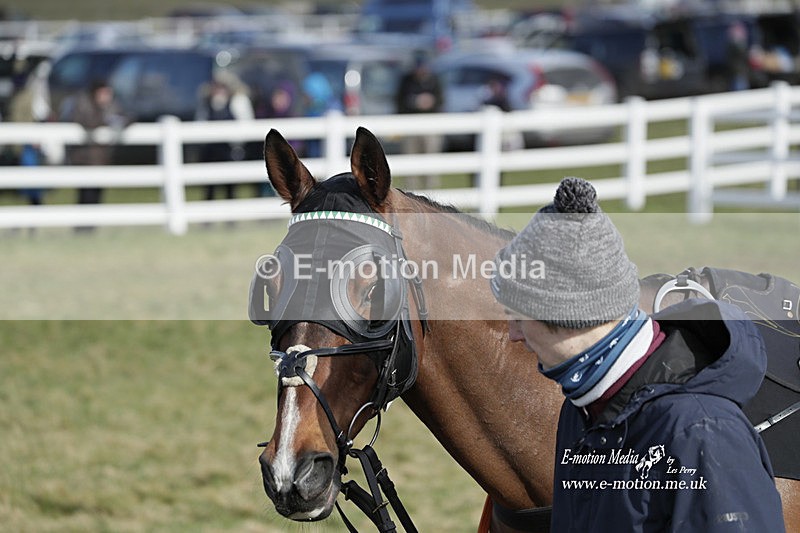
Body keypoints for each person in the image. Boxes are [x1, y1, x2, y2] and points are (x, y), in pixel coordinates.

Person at [489, 177, 785, 532]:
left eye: (519, 316)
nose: (514, 334)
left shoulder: (701, 433)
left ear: (571, 316)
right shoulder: (580, 412)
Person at [62, 79, 127, 231]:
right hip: (83, 159)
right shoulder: (83, 103)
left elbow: (126, 116)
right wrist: (103, 119)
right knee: (85, 196)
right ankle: (82, 229)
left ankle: (90, 228)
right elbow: (84, 123)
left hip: (100, 159)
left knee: (96, 196)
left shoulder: (109, 106)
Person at [195, 74, 254, 202]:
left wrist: (236, 145)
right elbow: (200, 126)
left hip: (229, 150)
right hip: (211, 151)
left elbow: (245, 126)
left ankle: (231, 218)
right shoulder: (206, 103)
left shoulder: (237, 102)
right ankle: (208, 217)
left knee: (231, 186)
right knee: (209, 187)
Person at [395, 53, 444, 190]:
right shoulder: (407, 81)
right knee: (410, 159)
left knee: (431, 160)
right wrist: (415, 102)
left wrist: (430, 102)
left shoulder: (434, 80)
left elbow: (441, 101)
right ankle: (410, 191)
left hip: (430, 125)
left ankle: (431, 191)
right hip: (410, 126)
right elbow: (400, 102)